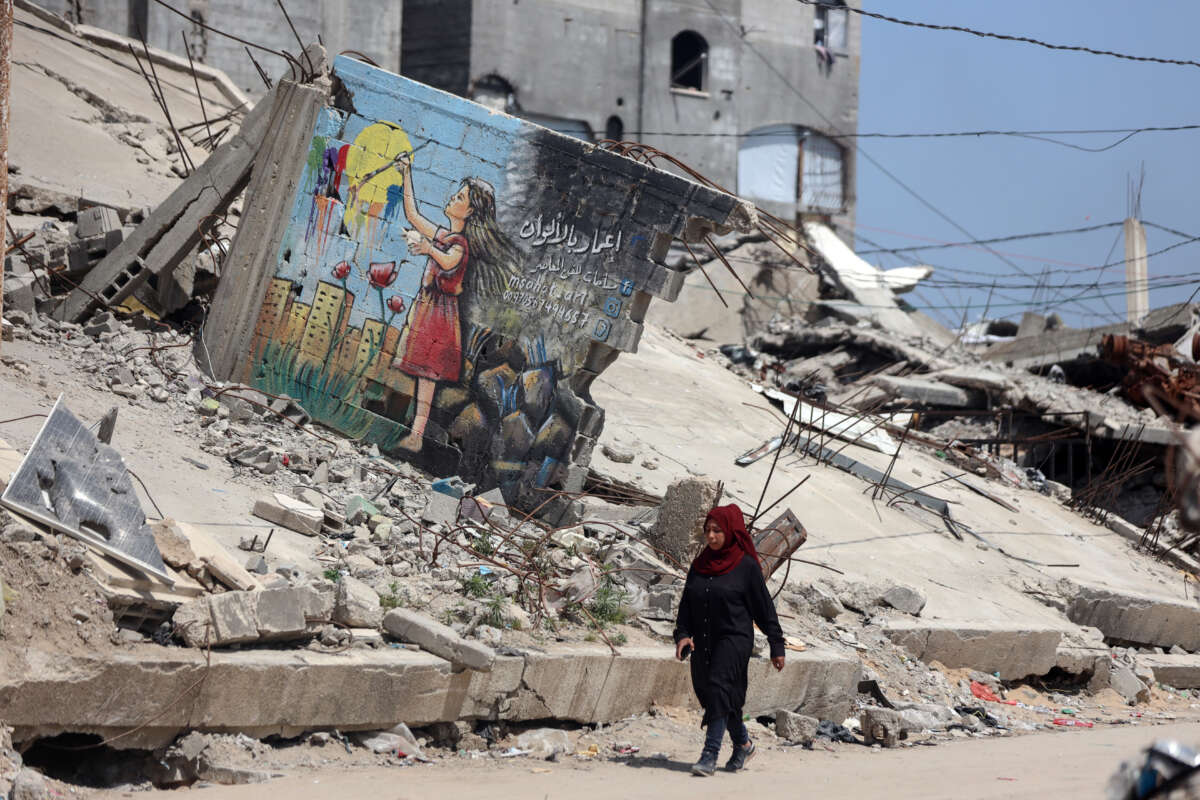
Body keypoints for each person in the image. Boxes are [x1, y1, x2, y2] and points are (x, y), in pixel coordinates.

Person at [390, 152, 519, 452]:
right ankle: (416, 433)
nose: (452, 198)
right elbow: (413, 215)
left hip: (439, 317)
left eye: (460, 197)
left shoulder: (459, 244)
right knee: (424, 375)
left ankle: (417, 435)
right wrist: (407, 174)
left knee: (428, 375)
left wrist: (428, 249)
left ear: (470, 210)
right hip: (428, 310)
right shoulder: (445, 235)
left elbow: (449, 261)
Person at [674, 503, 785, 776]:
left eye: (717, 531)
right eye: (707, 530)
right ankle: (744, 744)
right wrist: (683, 635)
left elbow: (764, 609)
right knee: (713, 693)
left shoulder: (745, 566)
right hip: (704, 640)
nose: (711, 536)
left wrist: (776, 645)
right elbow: (686, 605)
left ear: (731, 531)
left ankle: (709, 754)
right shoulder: (699, 565)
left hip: (735, 638)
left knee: (719, 686)